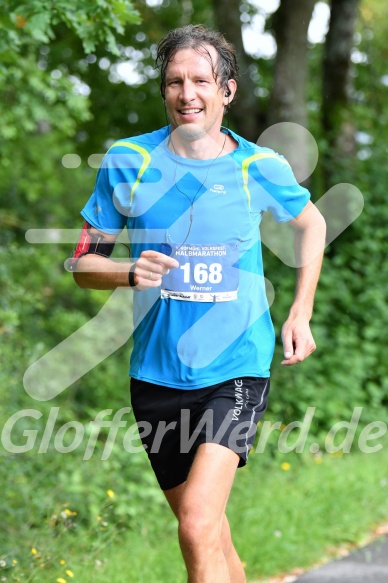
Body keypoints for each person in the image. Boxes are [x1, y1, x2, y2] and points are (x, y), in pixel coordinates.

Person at [71, 24, 326, 583]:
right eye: (174, 82)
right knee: (209, 532)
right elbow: (82, 265)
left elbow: (312, 224)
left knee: (194, 527)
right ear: (163, 91)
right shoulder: (127, 161)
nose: (187, 93)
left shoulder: (258, 167)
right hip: (156, 377)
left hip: (236, 367)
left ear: (226, 90)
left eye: (201, 81)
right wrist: (126, 271)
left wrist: (300, 311)